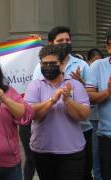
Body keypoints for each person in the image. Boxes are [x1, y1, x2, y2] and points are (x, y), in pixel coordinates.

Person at [32, 26, 93, 180]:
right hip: (44, 150)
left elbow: (84, 115)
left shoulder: (75, 84)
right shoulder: (35, 85)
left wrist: (67, 100)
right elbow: (31, 113)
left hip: (72, 150)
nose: (48, 67)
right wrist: (52, 100)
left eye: (53, 64)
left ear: (61, 65)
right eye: (44, 64)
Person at [85, 28, 111, 180]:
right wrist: (107, 93)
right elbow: (89, 96)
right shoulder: (98, 66)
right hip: (107, 137)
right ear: (108, 46)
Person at [86, 48, 104, 180]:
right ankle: (98, 176)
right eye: (94, 61)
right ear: (89, 61)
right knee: (96, 151)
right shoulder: (86, 72)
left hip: (104, 119)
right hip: (93, 118)